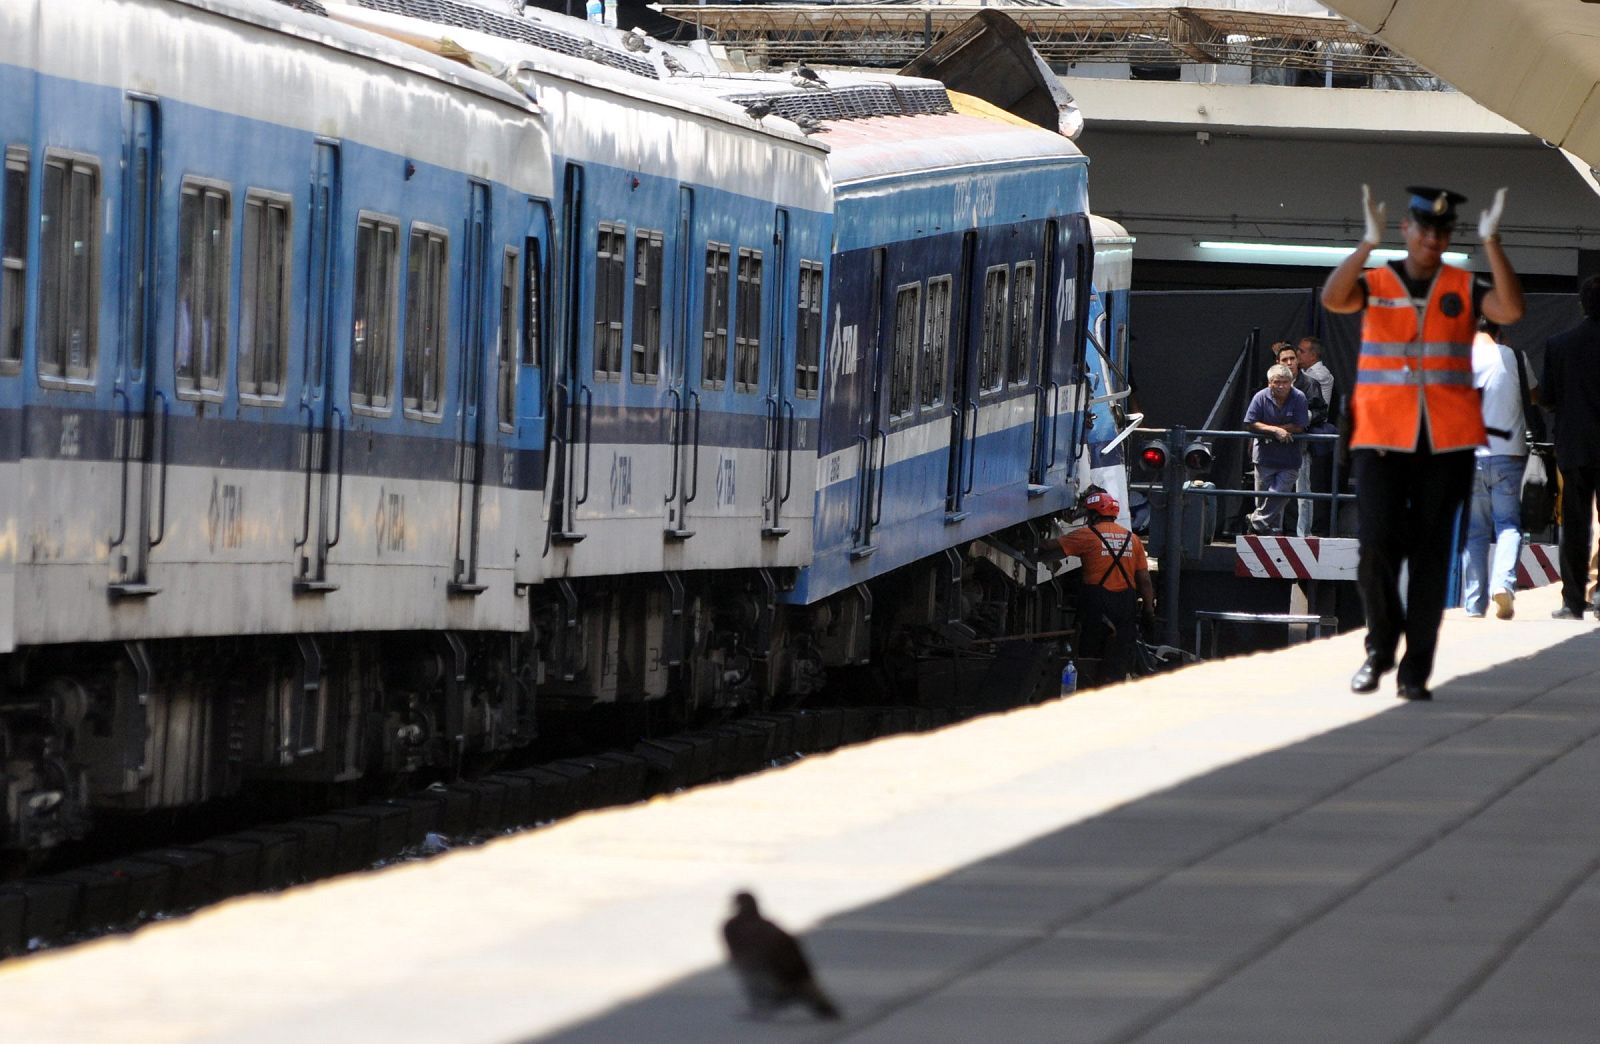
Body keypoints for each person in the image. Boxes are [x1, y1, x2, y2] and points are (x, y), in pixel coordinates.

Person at [1322, 184, 1525, 700]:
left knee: (1432, 558)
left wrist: (1493, 241)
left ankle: (1415, 671)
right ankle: (1379, 648)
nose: (1432, 241)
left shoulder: (1463, 284)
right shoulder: (1379, 280)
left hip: (1447, 443)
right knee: (1375, 550)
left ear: (1448, 237)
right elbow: (1333, 298)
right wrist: (1366, 244)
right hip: (1382, 438)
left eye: (1441, 233)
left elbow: (1510, 309)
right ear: (1407, 230)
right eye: (1423, 231)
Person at [1041, 488, 1155, 686]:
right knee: (1119, 657)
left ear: (1093, 514)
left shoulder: (1087, 536)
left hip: (1096, 605)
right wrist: (1149, 611)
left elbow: (1050, 547)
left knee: (1088, 654)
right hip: (1125, 606)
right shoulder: (1133, 540)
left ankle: (1087, 691)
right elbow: (1144, 581)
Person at [1460, 318, 1534, 620]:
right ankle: (1503, 584)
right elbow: (1536, 395)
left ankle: (1474, 604)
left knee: (1474, 533)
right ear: (1499, 331)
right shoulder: (1514, 357)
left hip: (1470, 456)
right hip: (1509, 456)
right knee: (1508, 525)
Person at [1541, 275, 1600, 620]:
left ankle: (1573, 601)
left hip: (1574, 446)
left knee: (1575, 525)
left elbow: (1547, 398)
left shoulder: (1559, 344)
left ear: (1582, 305)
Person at [1243, 362, 1308, 535]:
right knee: (1264, 500)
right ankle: (1270, 532)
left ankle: (1255, 522)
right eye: (1276, 382)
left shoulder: (1299, 397)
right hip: (1264, 457)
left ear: (1291, 382)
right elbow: (1250, 422)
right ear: (1269, 382)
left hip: (1289, 458)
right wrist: (1275, 430)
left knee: (1279, 494)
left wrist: (1282, 430)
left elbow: (1301, 425)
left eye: (1285, 382)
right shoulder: (1260, 397)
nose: (1280, 386)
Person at [1274, 341, 1328, 536]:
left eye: (1292, 359)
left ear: (1297, 361)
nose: (1289, 363)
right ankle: (1273, 531)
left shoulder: (1310, 383)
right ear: (1278, 363)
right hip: (1275, 446)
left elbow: (1322, 411)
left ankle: (1303, 534)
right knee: (1273, 491)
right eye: (1284, 359)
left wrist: (1305, 416)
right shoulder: (1273, 383)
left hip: (1300, 444)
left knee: (1303, 492)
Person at [1297, 336, 1339, 534]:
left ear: (1314, 355)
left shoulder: (1319, 375)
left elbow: (1298, 386)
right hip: (1304, 430)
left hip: (1314, 432)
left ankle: (1313, 529)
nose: (1297, 355)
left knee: (1311, 484)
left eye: (1301, 351)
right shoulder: (1306, 372)